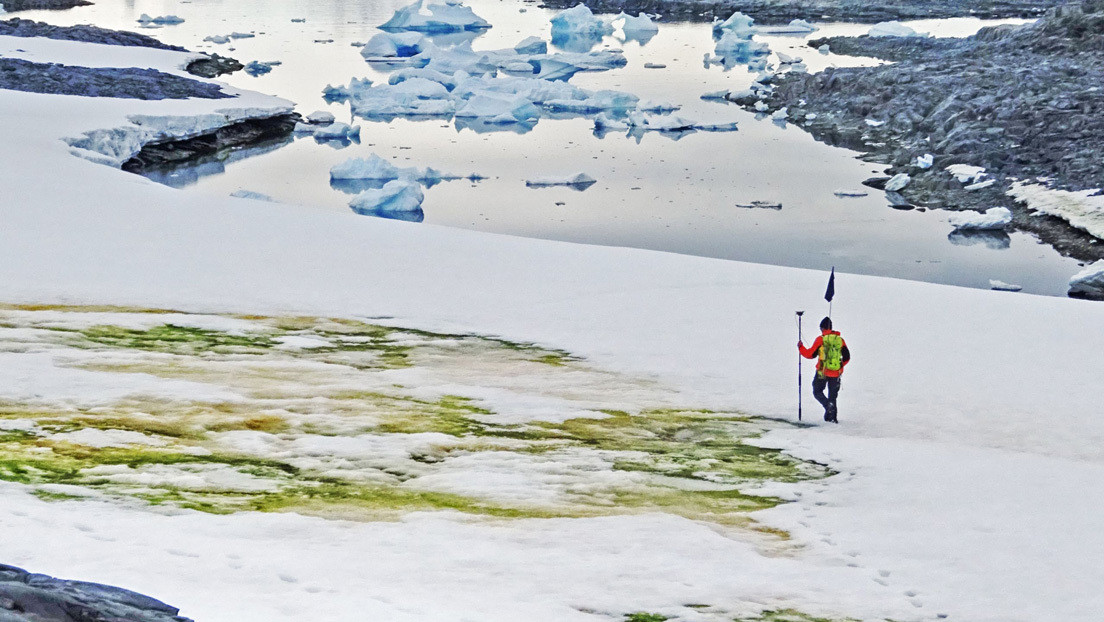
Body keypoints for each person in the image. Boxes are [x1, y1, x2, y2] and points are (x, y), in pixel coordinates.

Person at [798, 317, 850, 423]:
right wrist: (840, 366)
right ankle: (832, 419)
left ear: (822, 328)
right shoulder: (840, 340)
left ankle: (827, 406)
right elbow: (847, 357)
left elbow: (810, 354)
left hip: (822, 371)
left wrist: (800, 348)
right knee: (833, 396)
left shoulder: (821, 339)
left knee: (817, 391)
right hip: (836, 373)